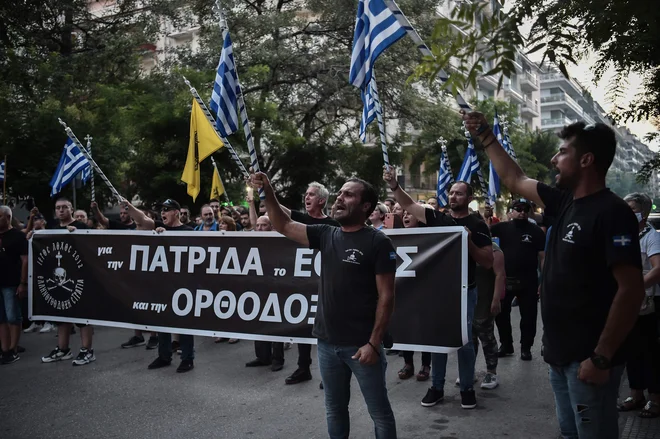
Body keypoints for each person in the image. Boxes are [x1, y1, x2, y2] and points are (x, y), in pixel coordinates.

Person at [463, 111, 645, 439]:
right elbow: (514, 178)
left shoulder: (614, 213)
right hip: (559, 354)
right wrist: (486, 136)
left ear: (587, 160)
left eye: (563, 152)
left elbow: (630, 291)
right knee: (568, 432)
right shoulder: (564, 202)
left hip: (589, 359)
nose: (553, 158)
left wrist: (602, 357)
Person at [251, 172, 398, 439]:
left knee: (379, 413)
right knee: (335, 409)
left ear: (366, 207)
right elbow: (283, 224)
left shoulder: (378, 241)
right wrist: (267, 190)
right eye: (340, 193)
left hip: (363, 348)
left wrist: (374, 343)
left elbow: (387, 297)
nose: (340, 198)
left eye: (349, 194)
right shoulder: (325, 234)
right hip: (327, 344)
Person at [384, 166, 492, 410]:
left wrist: (469, 241)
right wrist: (393, 185)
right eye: (451, 193)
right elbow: (410, 205)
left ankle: (466, 389)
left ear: (470, 198)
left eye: (459, 194)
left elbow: (487, 261)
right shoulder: (438, 218)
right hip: (438, 291)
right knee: (437, 340)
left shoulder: (477, 224)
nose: (453, 197)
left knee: (464, 341)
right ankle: (437, 387)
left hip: (465, 292)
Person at [270, 182, 341, 386]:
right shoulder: (299, 219)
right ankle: (303, 368)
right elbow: (279, 210)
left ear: (321, 200)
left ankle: (330, 373)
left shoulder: (333, 225)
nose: (306, 197)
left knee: (328, 329)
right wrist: (267, 192)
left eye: (311, 194)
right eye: (306, 194)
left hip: (325, 284)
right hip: (301, 283)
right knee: (303, 325)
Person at [140, 199, 196, 373]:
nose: (162, 213)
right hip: (163, 283)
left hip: (183, 284)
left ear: (176, 213)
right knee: (162, 318)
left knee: (184, 322)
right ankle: (164, 356)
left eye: (167, 210)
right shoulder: (157, 228)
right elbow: (141, 220)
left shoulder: (189, 231)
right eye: (161, 210)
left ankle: (187, 358)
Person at [617, 193, 660, 418]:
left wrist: (634, 286)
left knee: (650, 351)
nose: (627, 211)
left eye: (631, 208)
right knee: (630, 349)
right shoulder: (624, 235)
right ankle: (636, 394)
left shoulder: (651, 237)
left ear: (642, 213)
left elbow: (658, 268)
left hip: (648, 303)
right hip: (627, 301)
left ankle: (655, 398)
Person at [41, 198, 97, 366]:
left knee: (83, 316)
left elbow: (92, 249)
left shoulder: (81, 227)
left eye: (64, 207)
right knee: (61, 314)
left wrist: (77, 235)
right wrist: (32, 237)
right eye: (58, 208)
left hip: (79, 279)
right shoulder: (52, 229)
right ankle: (63, 349)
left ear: (71, 209)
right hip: (60, 277)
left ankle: (87, 350)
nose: (61, 210)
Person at [491, 198, 545, 361]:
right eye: (518, 209)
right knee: (501, 314)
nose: (521, 212)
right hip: (505, 279)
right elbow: (482, 234)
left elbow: (542, 257)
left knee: (529, 316)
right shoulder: (502, 227)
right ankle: (506, 345)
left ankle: (526, 348)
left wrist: (543, 279)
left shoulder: (536, 231)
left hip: (528, 280)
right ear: (511, 211)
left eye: (525, 209)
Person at [112, 199, 159, 350]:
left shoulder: (149, 226)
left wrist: (128, 205)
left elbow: (142, 218)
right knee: (134, 305)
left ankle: (154, 336)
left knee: (150, 305)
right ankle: (138, 335)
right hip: (134, 274)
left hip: (150, 274)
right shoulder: (133, 230)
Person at [244, 215, 286, 371]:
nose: (260, 228)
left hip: (276, 287)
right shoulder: (254, 243)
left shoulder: (280, 243)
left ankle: (277, 358)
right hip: (259, 287)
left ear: (272, 227)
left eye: (264, 225)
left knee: (275, 323)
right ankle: (262, 356)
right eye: (258, 226)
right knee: (259, 321)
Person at [397, 210, 432, 381]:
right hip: (404, 290)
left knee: (425, 328)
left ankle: (426, 364)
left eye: (410, 214)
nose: (406, 216)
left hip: (423, 291)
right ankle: (408, 363)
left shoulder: (429, 238)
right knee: (406, 327)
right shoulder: (395, 239)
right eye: (403, 213)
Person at [474, 236, 505, 389]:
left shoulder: (493, 249)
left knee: (486, 336)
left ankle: (491, 372)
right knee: (469, 338)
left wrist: (496, 299)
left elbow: (500, 274)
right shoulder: (463, 245)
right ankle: (469, 370)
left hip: (485, 299)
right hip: (469, 299)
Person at [0, 206, 28, 365]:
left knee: (12, 317)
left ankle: (13, 349)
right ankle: (5, 350)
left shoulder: (17, 236)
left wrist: (22, 283)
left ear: (8, 217)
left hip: (11, 283)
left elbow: (25, 260)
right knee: (1, 318)